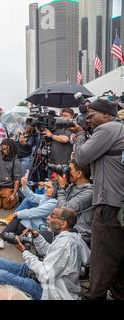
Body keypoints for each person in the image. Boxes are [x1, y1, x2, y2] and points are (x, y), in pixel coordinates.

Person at [69, 98, 124, 300]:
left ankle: (94, 296)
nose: (87, 119)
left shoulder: (108, 129)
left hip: (109, 203)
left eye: (91, 116)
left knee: (101, 257)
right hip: (118, 203)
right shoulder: (119, 129)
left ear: (106, 115)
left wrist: (81, 134)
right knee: (117, 256)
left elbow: (81, 158)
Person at [0, 178, 58, 249]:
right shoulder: (47, 197)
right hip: (38, 223)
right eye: (45, 186)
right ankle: (7, 237)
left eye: (48, 187)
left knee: (24, 216)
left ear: (55, 190)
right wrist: (24, 185)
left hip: (45, 230)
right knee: (23, 217)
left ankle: (0, 238)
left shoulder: (53, 203)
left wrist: (18, 213)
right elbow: (32, 197)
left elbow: (34, 212)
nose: (45, 189)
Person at [55, 161, 94, 246]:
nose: (67, 172)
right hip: (66, 231)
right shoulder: (72, 186)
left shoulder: (89, 193)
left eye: (70, 169)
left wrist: (62, 187)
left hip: (79, 237)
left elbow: (63, 211)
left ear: (79, 173)